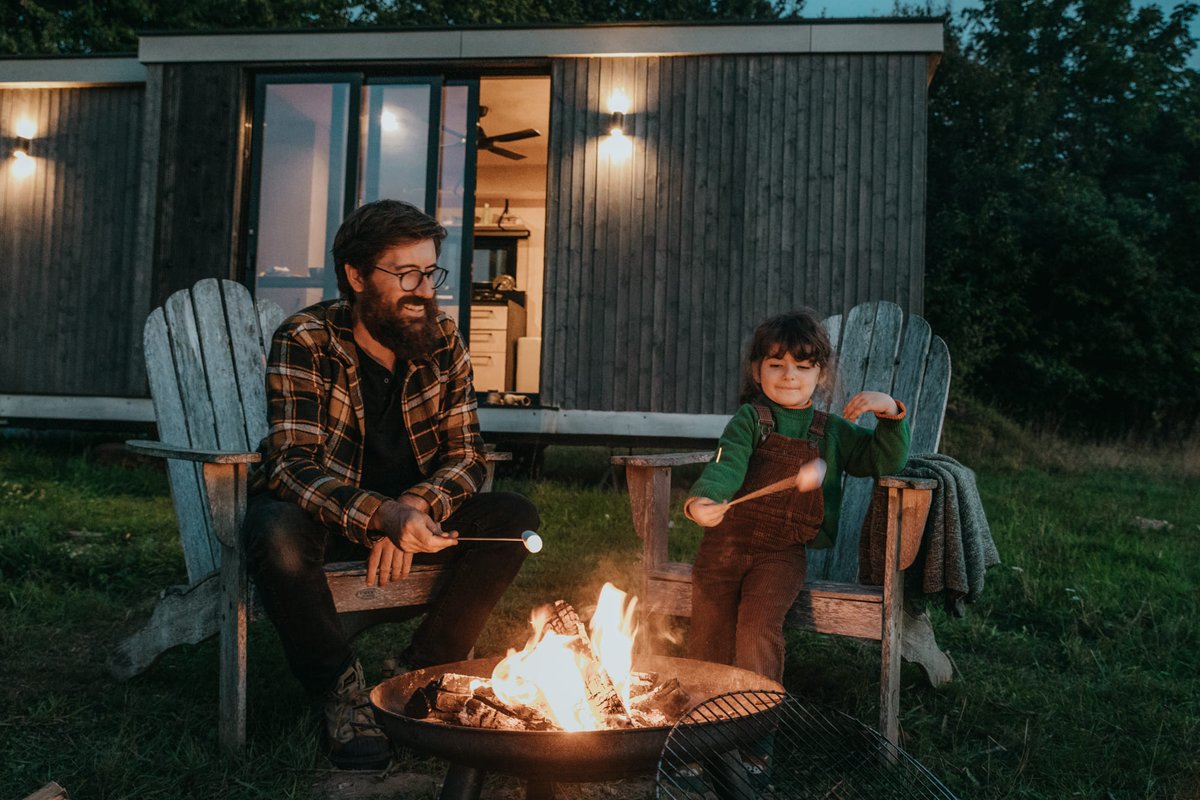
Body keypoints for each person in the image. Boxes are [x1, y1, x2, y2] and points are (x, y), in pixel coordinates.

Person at [243, 199, 540, 770]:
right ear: (356, 276)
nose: (423, 289)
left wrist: (410, 510)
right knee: (273, 529)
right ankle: (340, 691)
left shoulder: (442, 341)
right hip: (325, 522)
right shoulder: (305, 339)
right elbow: (293, 466)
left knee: (512, 517)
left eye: (430, 272)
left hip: (412, 521)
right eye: (405, 273)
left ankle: (421, 676)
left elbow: (468, 456)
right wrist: (379, 516)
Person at [684, 309, 910, 685]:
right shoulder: (750, 419)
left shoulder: (832, 432)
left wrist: (889, 412)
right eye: (777, 364)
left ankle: (756, 732)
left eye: (803, 367)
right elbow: (728, 463)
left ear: (820, 375)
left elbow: (882, 460)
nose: (789, 375)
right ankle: (702, 722)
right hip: (722, 547)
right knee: (709, 632)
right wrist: (703, 499)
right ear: (758, 371)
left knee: (758, 627)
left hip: (782, 554)